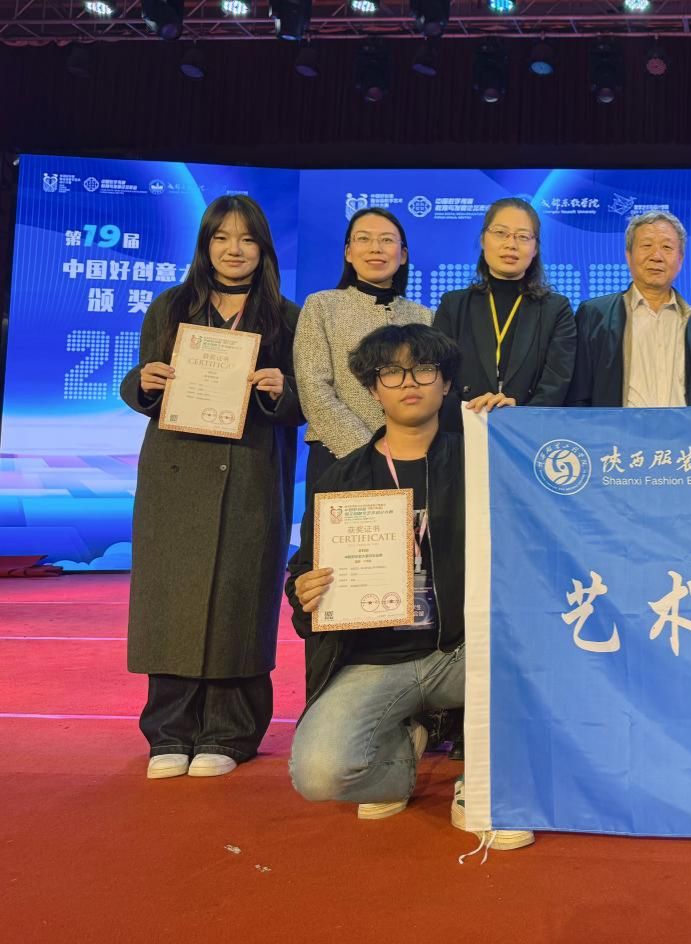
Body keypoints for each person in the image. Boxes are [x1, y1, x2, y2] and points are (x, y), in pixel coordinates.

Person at [285, 324, 533, 851]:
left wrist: (514, 434)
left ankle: (483, 784)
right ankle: (402, 757)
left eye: (423, 369)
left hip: (467, 650)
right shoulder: (342, 478)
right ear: (373, 388)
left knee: (535, 666)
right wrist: (306, 596)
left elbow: (541, 521)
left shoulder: (483, 458)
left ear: (446, 383)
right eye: (392, 372)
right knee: (318, 774)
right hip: (377, 658)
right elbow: (304, 575)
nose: (409, 382)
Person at [120, 195, 302, 780]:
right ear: (205, 245)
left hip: (250, 475)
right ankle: (169, 732)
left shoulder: (286, 316)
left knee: (239, 603)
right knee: (170, 600)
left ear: (263, 249)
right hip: (176, 474)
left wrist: (281, 390)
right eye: (221, 237)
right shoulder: (171, 306)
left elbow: (303, 400)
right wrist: (145, 381)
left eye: (246, 239)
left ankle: (230, 732)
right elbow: (140, 382)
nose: (233, 249)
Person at [295, 207, 432, 488]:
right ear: (348, 252)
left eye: (386, 240)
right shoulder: (321, 306)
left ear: (403, 255)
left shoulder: (424, 317)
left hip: (410, 455)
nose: (375, 248)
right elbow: (313, 389)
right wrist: (368, 452)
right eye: (364, 239)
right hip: (338, 455)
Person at [432, 197, 575, 420]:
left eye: (523, 236)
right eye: (501, 233)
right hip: (464, 425)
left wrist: (520, 416)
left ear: (535, 248)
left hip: (530, 428)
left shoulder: (556, 309)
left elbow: (557, 381)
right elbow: (438, 374)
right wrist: (472, 414)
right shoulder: (453, 304)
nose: (511, 244)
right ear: (483, 239)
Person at [566, 210, 691, 407]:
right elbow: (577, 395)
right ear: (628, 256)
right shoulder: (594, 315)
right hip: (616, 427)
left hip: (682, 427)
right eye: (647, 245)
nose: (656, 256)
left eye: (667, 247)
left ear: (680, 260)